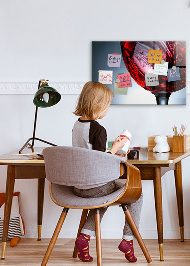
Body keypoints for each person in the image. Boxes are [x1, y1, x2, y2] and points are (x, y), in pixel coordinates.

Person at [72, 81, 142, 263]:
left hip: (78, 186)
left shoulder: (77, 125)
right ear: (98, 105)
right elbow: (99, 161)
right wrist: (116, 149)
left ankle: (84, 238)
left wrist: (111, 149)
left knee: (103, 198)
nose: (107, 109)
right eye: (107, 105)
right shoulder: (98, 129)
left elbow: (89, 154)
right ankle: (128, 240)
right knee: (137, 194)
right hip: (95, 186)